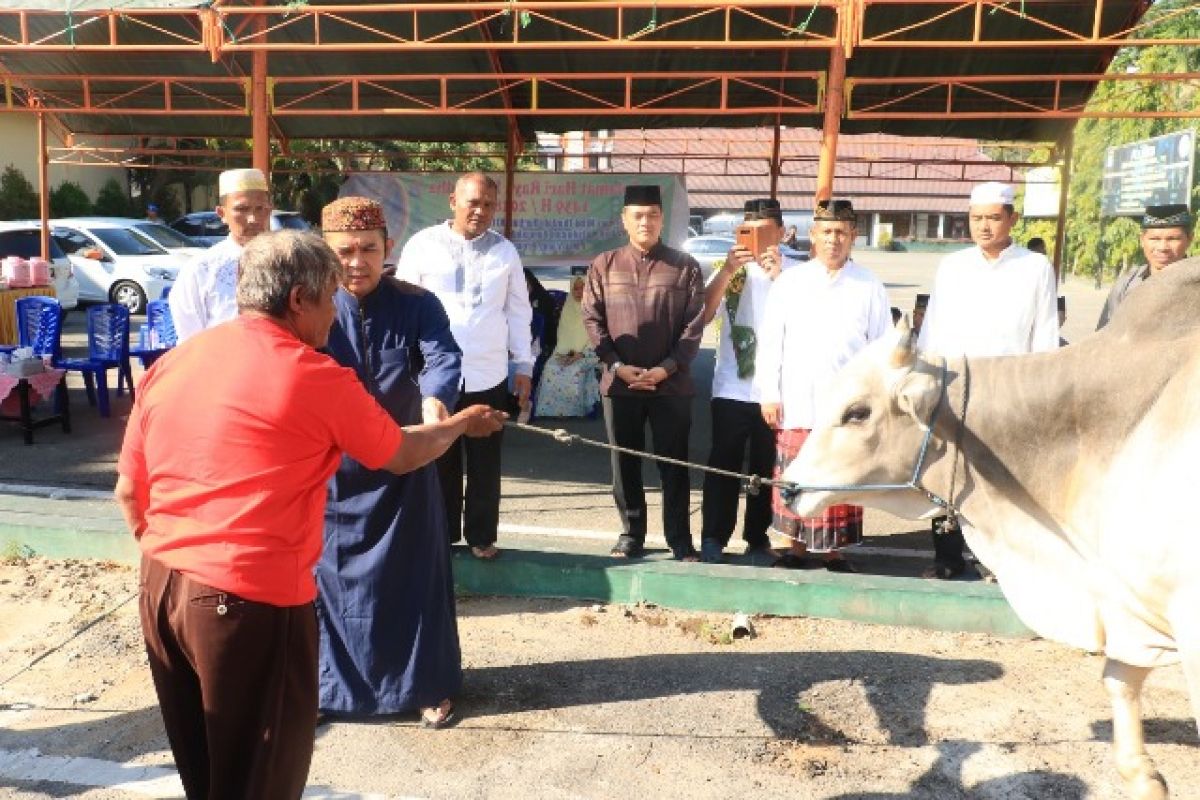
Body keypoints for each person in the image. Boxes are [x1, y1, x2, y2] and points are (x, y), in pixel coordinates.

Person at [114, 230, 504, 798]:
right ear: (299, 299)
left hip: (161, 590)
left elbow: (129, 491)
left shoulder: (176, 361)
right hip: (244, 601)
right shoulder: (311, 375)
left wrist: (173, 556)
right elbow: (402, 452)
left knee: (207, 772)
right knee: (261, 777)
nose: (334, 311)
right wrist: (460, 425)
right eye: (329, 296)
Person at [317, 198, 464, 728]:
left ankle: (425, 685)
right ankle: (325, 692)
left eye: (369, 250)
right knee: (330, 585)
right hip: (333, 471)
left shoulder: (418, 303)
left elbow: (442, 355)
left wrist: (436, 399)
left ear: (388, 250)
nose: (357, 262)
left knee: (414, 580)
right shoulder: (313, 306)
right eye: (345, 251)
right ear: (326, 252)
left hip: (404, 459)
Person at [917, 181, 1058, 579]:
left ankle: (999, 561)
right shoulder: (953, 266)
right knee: (949, 475)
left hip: (1010, 390)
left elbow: (1044, 332)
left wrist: (1039, 390)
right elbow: (934, 329)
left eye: (994, 218)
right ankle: (946, 558)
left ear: (1012, 219)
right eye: (977, 218)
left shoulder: (1034, 267)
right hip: (957, 386)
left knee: (1002, 477)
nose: (984, 226)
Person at [396, 172, 534, 561]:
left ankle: (481, 536)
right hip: (434, 375)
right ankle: (438, 536)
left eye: (488, 205)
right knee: (438, 456)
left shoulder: (505, 251)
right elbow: (404, 307)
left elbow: (518, 311)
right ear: (452, 200)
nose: (480, 211)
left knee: (486, 461)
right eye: (473, 202)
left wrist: (523, 364)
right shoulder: (423, 246)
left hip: (489, 372)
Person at [755, 198, 890, 572]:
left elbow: (882, 349)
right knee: (797, 476)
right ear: (813, 235)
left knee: (839, 477)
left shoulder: (869, 285)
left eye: (842, 232)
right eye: (827, 231)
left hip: (846, 407)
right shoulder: (790, 282)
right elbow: (771, 343)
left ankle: (835, 552)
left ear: (854, 237)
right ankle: (795, 549)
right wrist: (769, 393)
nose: (834, 239)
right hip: (797, 399)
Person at [582, 184, 705, 561]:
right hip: (620, 385)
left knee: (674, 465)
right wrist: (617, 366)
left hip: (672, 385)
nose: (645, 222)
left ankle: (680, 540)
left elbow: (694, 325)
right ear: (624, 220)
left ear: (662, 219)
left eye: (652, 215)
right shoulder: (603, 265)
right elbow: (592, 319)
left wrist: (666, 369)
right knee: (625, 464)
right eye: (637, 215)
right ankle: (631, 534)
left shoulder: (684, 267)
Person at [698, 198, 793, 564]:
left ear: (781, 233)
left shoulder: (796, 272)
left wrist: (780, 278)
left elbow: (809, 322)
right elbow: (704, 315)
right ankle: (713, 537)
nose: (759, 239)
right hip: (731, 386)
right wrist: (726, 272)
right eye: (750, 230)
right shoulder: (729, 269)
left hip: (777, 388)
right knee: (723, 463)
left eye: (767, 231)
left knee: (767, 467)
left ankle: (757, 537)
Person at [170, 168, 272, 342]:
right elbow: (190, 340)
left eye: (260, 208)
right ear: (222, 214)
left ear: (269, 210)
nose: (253, 219)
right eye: (242, 209)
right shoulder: (201, 270)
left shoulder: (289, 263)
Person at [1096, 204, 1194, 330]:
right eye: (1154, 238)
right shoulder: (1126, 285)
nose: (1163, 247)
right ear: (1142, 240)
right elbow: (1104, 336)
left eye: (1173, 239)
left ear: (1190, 239)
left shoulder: (1196, 283)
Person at [534, 275, 601, 418]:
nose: (579, 292)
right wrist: (564, 354)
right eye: (575, 289)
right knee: (551, 367)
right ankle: (549, 412)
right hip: (565, 352)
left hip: (590, 354)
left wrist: (581, 354)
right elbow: (563, 338)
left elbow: (597, 337)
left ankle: (575, 411)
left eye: (582, 288)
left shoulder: (595, 310)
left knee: (575, 370)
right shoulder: (567, 309)